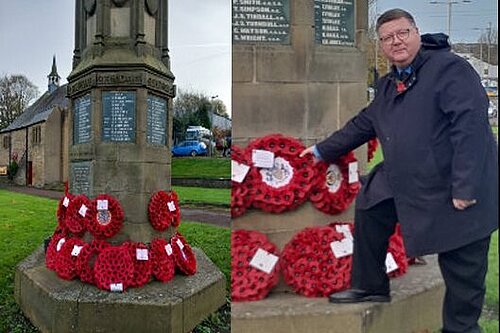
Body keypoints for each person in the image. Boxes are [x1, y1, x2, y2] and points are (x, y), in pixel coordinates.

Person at [300, 8, 498, 333]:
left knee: (461, 281)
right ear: (381, 45)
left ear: (417, 32)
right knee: (371, 200)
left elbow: (471, 129)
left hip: (458, 192)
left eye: (402, 33)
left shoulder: (451, 70)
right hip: (412, 182)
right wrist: (322, 151)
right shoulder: (390, 84)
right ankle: (370, 285)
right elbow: (363, 124)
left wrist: (465, 187)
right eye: (387, 38)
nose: (396, 41)